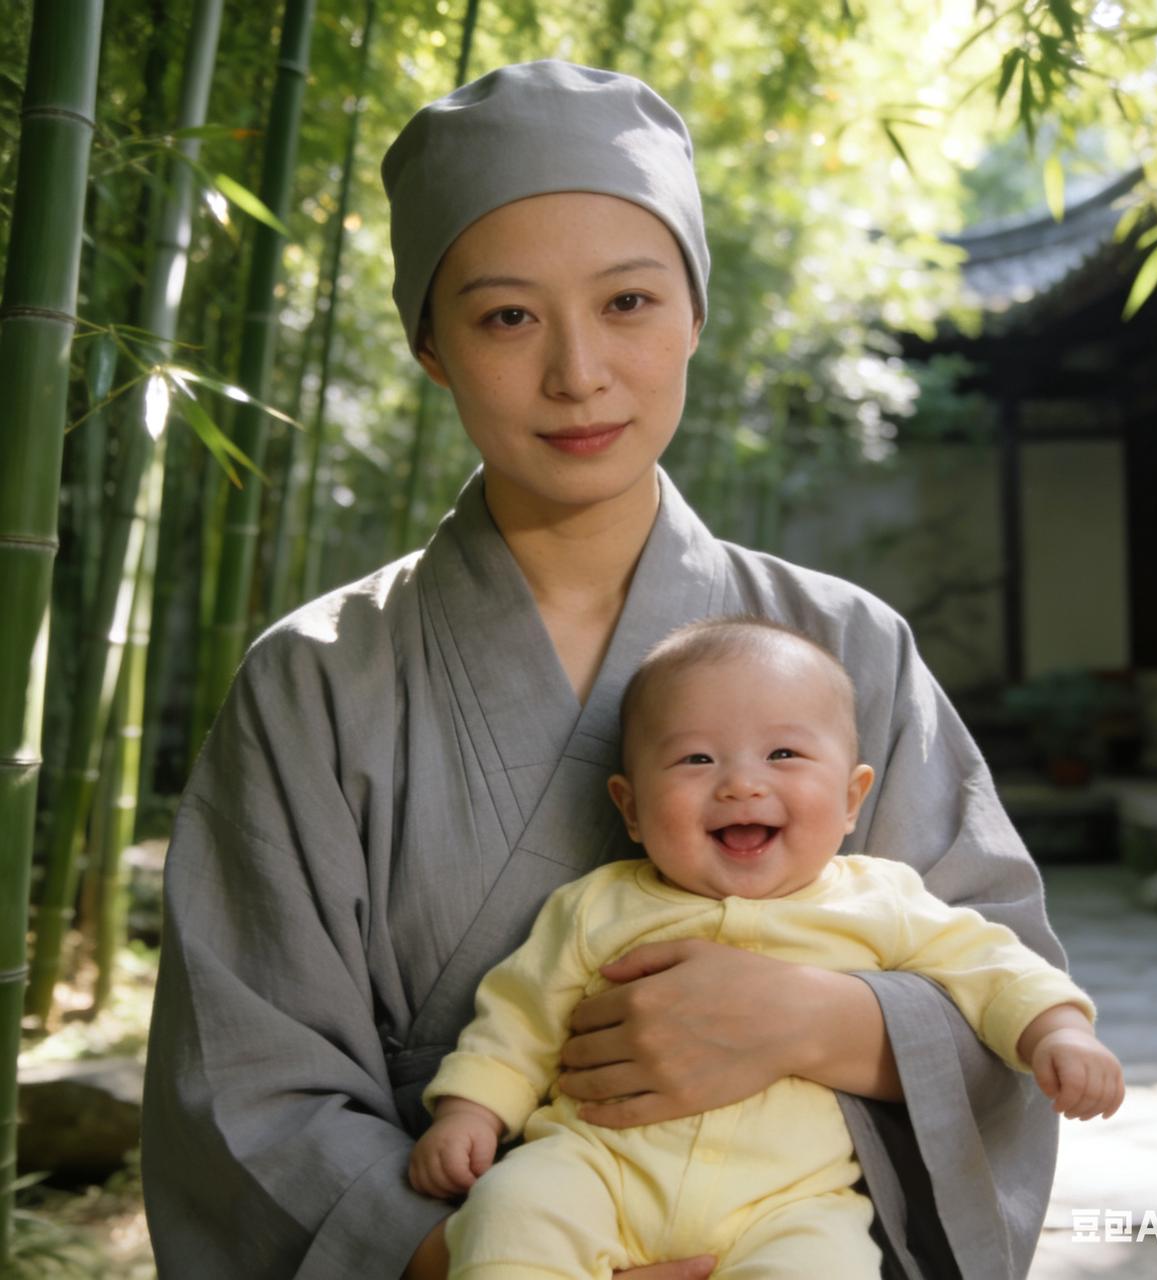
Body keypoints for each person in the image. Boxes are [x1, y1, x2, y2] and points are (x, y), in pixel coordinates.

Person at [142, 59, 1082, 1280]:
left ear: (695, 314)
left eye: (629, 301)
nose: (577, 371)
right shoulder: (313, 683)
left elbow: (1014, 997)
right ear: (430, 346)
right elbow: (244, 1084)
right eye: (506, 316)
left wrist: (828, 1021)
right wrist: (478, 1248)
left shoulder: (847, 641)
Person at [409, 618, 1124, 1278]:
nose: (742, 783)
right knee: (510, 1214)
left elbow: (993, 968)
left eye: (784, 753)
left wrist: (1058, 1031)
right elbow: (518, 1019)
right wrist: (470, 1112)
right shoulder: (596, 905)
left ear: (852, 798)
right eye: (695, 758)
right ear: (630, 807)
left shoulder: (880, 900)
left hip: (789, 1199)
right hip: (597, 1164)